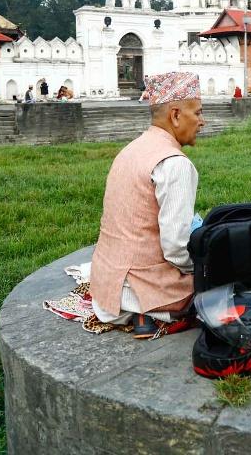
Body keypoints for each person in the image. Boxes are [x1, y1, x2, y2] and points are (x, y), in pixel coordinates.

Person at [90, 71, 206, 338]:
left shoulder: (133, 148)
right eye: (198, 113)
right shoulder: (174, 163)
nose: (203, 121)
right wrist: (205, 267)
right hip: (137, 292)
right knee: (232, 277)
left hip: (105, 283)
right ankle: (152, 311)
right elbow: (176, 248)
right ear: (175, 115)